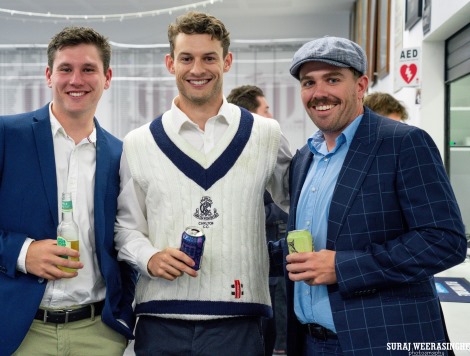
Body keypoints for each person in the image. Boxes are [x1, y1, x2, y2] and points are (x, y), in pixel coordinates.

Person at [114, 11, 291, 356]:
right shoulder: (138, 143)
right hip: (160, 322)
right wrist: (149, 257)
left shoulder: (266, 135)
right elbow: (126, 228)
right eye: (187, 58)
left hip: (241, 321)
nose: (197, 69)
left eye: (209, 58)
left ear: (227, 61)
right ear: (170, 63)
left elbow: (301, 206)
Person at [281, 36, 467, 355]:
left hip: (382, 341)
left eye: (333, 79)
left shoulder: (402, 144)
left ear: (361, 85)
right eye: (309, 82)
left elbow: (444, 240)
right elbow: (311, 244)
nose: (319, 92)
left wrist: (344, 267)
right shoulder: (304, 158)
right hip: (310, 343)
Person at [0, 27, 136, 355]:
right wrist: (20, 253)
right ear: (49, 75)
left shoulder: (121, 154)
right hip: (19, 333)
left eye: (88, 69)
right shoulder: (7, 135)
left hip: (98, 335)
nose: (76, 80)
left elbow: (126, 237)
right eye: (65, 69)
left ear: (107, 77)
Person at [227, 84, 288, 355]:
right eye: (266, 109)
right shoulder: (265, 140)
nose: (271, 115)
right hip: (264, 246)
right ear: (251, 115)